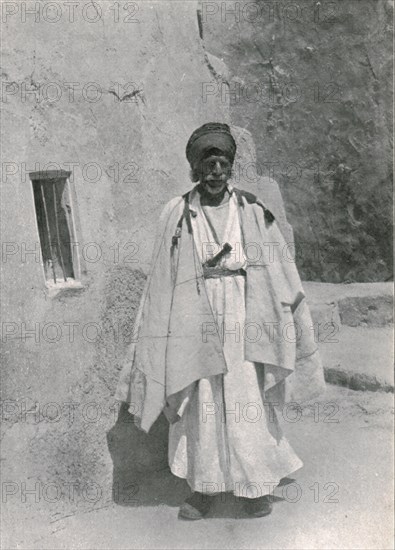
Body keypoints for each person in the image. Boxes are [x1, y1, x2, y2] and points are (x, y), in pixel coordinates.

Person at [116, 122, 325, 520]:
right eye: (208, 162)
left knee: (246, 397)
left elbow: (280, 268)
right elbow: (162, 273)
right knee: (201, 401)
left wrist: (287, 319)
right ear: (196, 168)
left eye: (223, 162)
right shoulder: (176, 214)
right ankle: (204, 488)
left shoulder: (251, 210)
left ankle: (254, 486)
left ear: (231, 167)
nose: (215, 170)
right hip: (194, 315)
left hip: (245, 317)